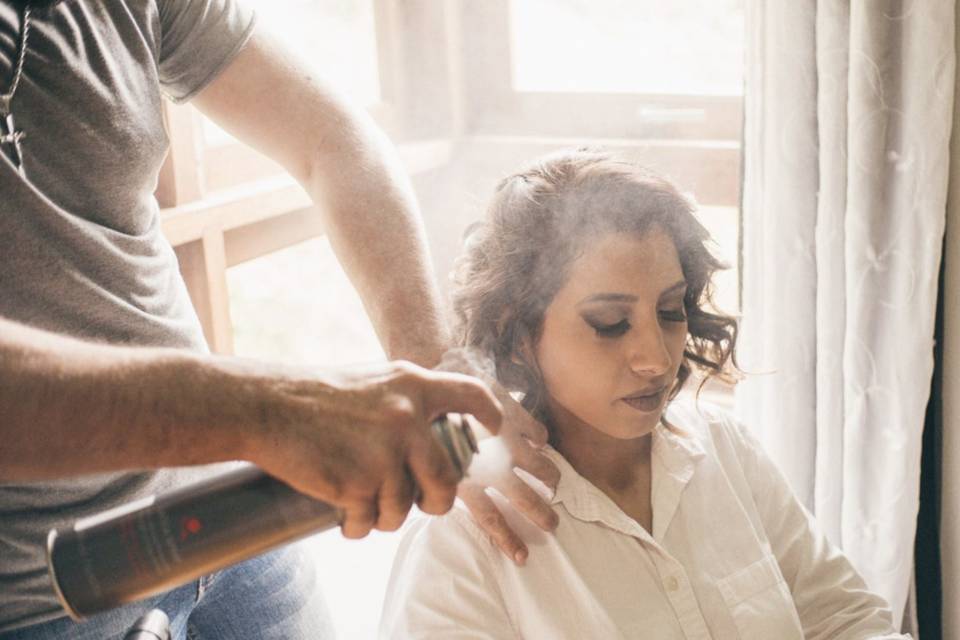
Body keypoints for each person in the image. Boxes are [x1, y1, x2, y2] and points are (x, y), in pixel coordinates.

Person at [0, 1, 559, 637]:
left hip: (235, 521)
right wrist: (275, 411)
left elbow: (331, 138)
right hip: (39, 599)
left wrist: (434, 373)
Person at [380, 149, 910, 639]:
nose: (657, 358)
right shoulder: (464, 536)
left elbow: (845, 619)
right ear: (517, 334)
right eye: (610, 323)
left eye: (671, 311)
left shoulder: (725, 450)